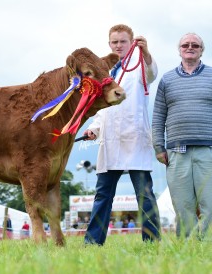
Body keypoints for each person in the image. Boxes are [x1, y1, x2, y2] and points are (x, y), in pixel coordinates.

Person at [83, 24, 161, 246]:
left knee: (145, 195)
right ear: (109, 44)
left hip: (134, 138)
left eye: (123, 41)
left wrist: (145, 53)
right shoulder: (103, 71)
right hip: (110, 142)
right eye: (114, 42)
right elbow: (101, 105)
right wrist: (94, 128)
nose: (118, 45)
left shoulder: (139, 66)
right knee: (102, 196)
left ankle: (152, 241)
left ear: (132, 42)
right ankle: (92, 243)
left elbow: (152, 72)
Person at [152, 32, 212, 239]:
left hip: (209, 150)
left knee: (211, 201)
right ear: (179, 50)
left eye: (195, 45)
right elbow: (158, 115)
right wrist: (158, 147)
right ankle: (188, 245)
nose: (189, 47)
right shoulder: (167, 79)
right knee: (182, 203)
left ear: (201, 50)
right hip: (176, 152)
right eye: (185, 45)